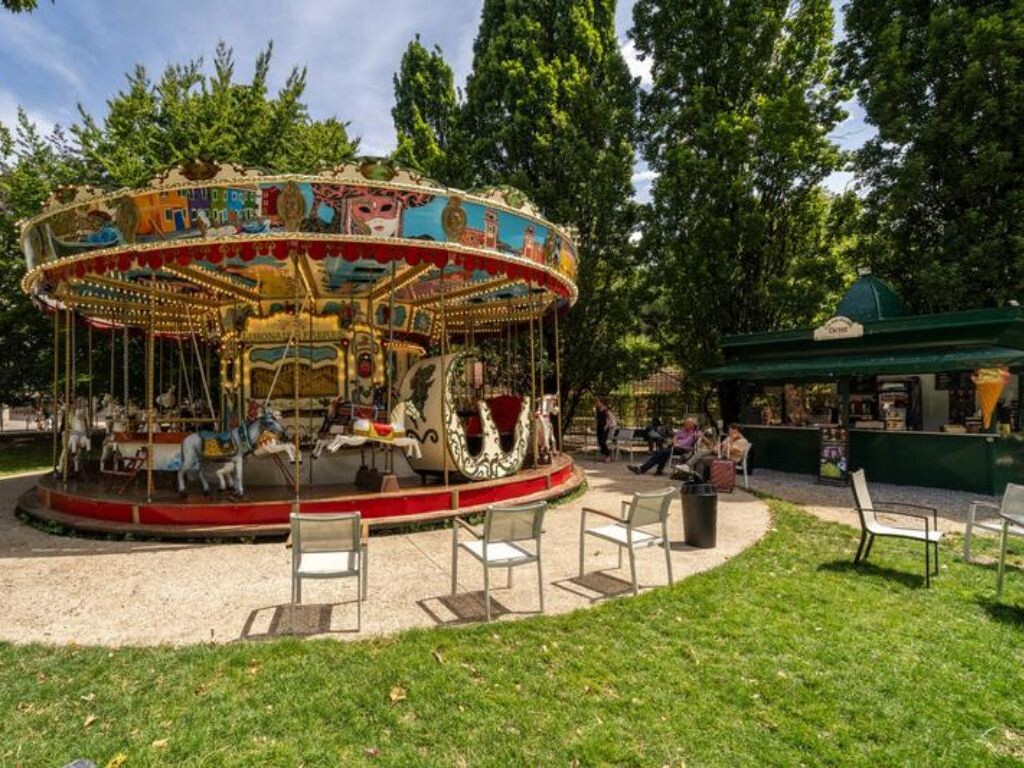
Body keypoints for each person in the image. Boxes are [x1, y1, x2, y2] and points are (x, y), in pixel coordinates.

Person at [629, 417, 700, 476]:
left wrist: (676, 443)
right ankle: (654, 470)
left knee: (661, 453)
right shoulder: (684, 430)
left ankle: (643, 469)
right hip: (675, 447)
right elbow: (676, 436)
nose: (685, 424)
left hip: (684, 449)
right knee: (662, 454)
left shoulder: (694, 433)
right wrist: (675, 442)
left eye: (687, 423)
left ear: (692, 425)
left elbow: (685, 443)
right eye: (685, 423)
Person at [594, 398, 617, 462]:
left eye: (598, 402)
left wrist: (607, 425)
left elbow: (612, 419)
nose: (597, 403)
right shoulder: (597, 410)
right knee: (599, 441)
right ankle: (604, 455)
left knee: (602, 441)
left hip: (605, 427)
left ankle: (607, 456)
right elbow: (597, 418)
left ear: (601, 402)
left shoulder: (606, 410)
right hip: (599, 427)